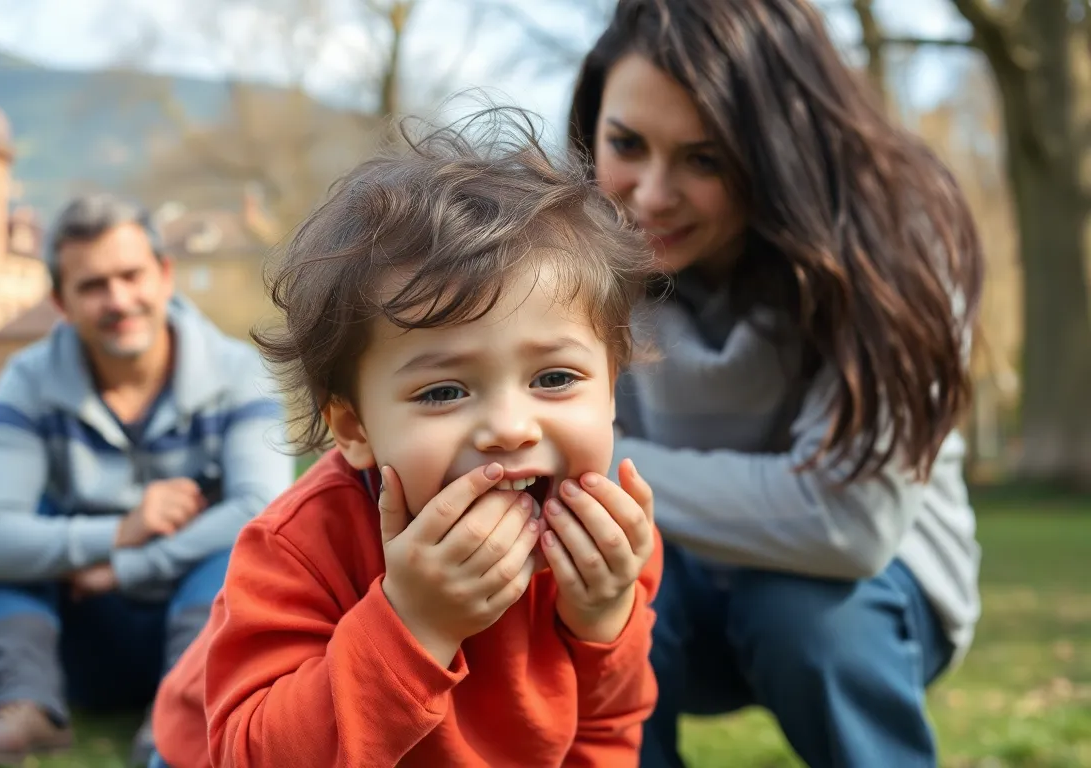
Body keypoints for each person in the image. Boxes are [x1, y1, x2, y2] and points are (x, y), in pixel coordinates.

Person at [149, 110, 665, 768]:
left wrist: (604, 621)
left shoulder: (610, 547)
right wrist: (415, 623)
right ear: (354, 428)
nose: (510, 428)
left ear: (612, 390)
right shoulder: (302, 547)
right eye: (444, 391)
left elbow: (606, 730)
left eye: (555, 378)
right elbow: (253, 754)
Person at [567, 1, 986, 766]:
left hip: (871, 598)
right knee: (588, 595)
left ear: (777, 150)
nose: (651, 196)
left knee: (803, 615)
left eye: (707, 158)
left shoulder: (896, 237)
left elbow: (850, 524)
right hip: (671, 583)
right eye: (626, 143)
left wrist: (597, 462)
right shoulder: (568, 246)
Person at [0, 194, 295, 767]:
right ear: (61, 302)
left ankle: (177, 722)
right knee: (15, 531)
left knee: (245, 543)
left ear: (164, 275)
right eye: (92, 286)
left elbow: (263, 511)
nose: (118, 300)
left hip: (205, 633)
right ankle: (23, 705)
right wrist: (120, 530)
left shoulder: (240, 372)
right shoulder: (28, 381)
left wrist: (128, 565)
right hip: (75, 637)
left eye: (131, 275)